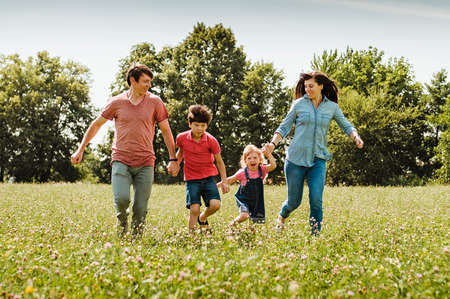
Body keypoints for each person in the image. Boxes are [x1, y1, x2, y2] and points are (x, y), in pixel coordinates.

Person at [71, 63, 179, 237]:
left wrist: (173, 158)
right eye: (145, 81)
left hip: (145, 162)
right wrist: (80, 149)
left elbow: (166, 130)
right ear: (132, 81)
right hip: (121, 159)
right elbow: (96, 125)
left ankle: (136, 239)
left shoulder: (155, 102)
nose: (148, 85)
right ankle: (122, 228)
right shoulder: (116, 102)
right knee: (121, 199)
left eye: (150, 81)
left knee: (140, 206)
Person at [263, 71, 364, 235]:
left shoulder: (331, 107)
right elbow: (284, 127)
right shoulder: (298, 104)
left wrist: (356, 137)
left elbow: (346, 125)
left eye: (311, 86)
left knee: (316, 200)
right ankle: (282, 216)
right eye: (306, 86)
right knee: (294, 202)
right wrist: (272, 145)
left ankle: (315, 236)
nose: (307, 89)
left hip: (318, 159)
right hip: (296, 159)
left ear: (321, 86)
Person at [175, 104, 230, 233]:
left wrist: (225, 181)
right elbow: (180, 153)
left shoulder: (211, 140)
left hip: (208, 177)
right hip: (192, 178)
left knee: (215, 205)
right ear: (190, 124)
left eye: (203, 125)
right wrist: (175, 164)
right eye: (196, 125)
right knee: (194, 209)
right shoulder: (182, 138)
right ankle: (192, 238)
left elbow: (219, 162)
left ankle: (203, 217)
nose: (200, 128)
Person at [217, 145, 276, 226]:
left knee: (254, 223)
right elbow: (230, 179)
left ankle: (250, 235)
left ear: (260, 160)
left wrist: (269, 155)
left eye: (255, 158)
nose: (252, 160)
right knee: (244, 215)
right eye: (249, 158)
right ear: (245, 161)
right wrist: (216, 186)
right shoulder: (243, 172)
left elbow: (273, 165)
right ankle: (232, 224)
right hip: (244, 200)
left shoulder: (262, 170)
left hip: (257, 200)